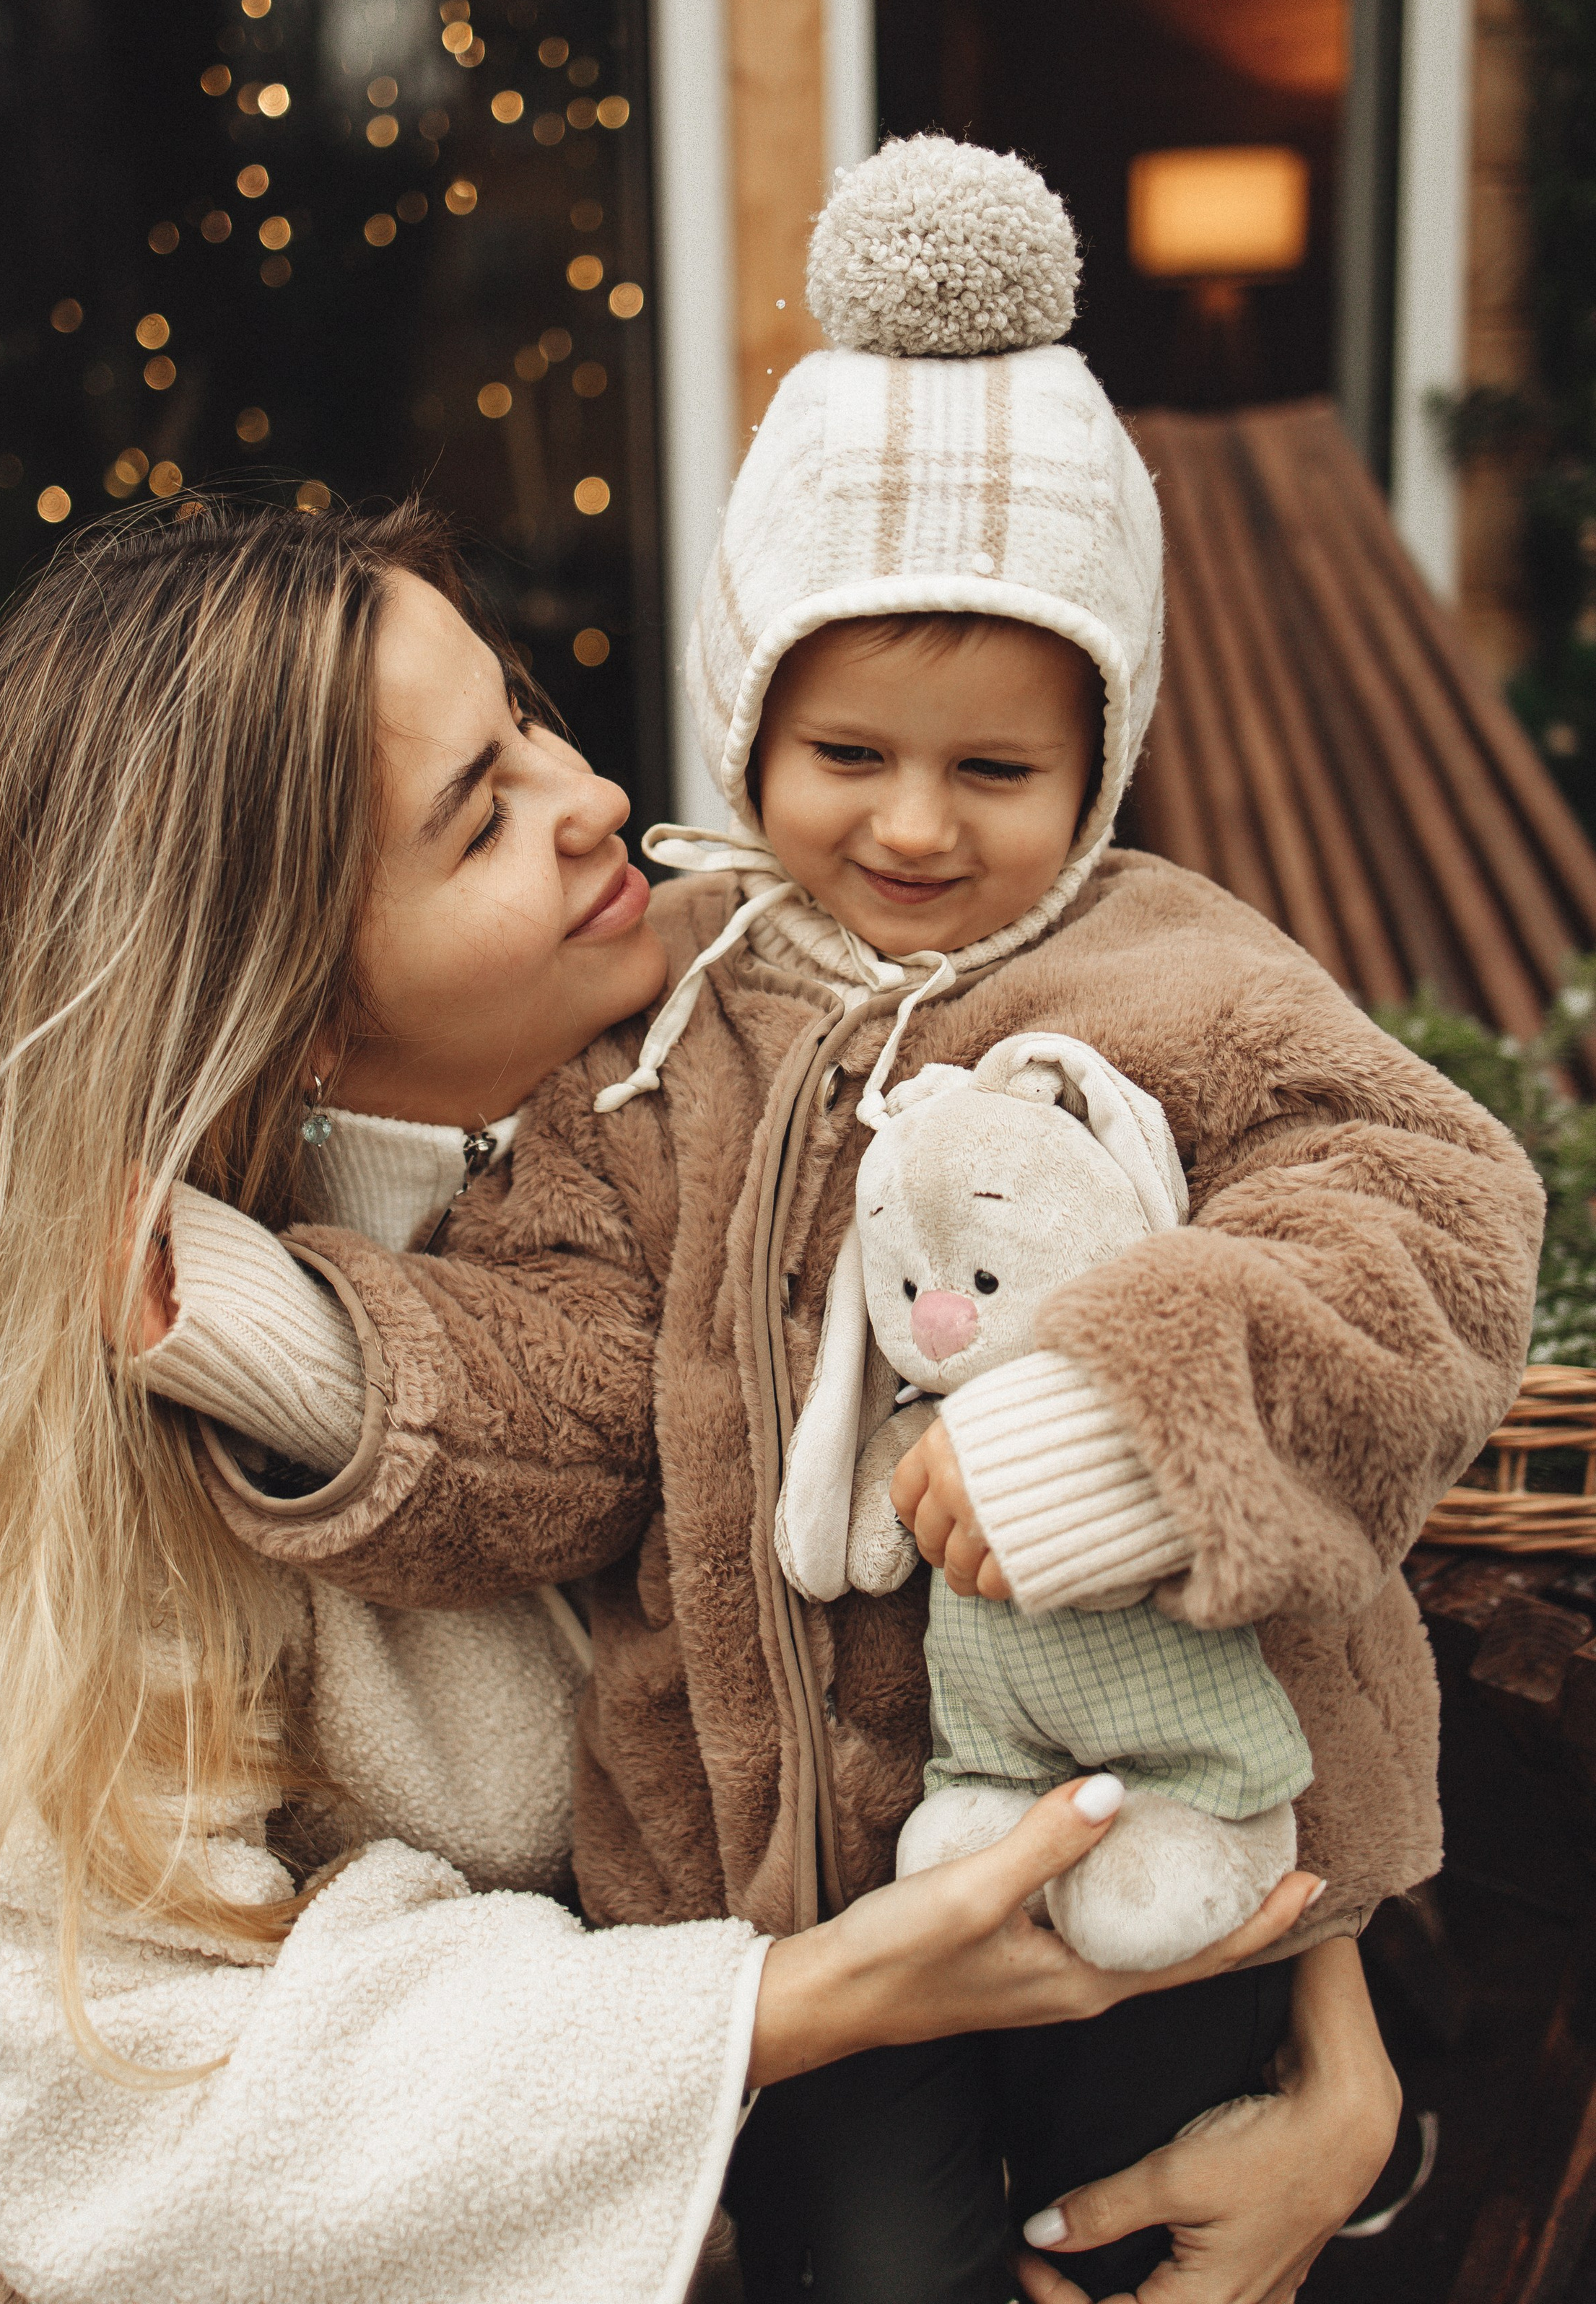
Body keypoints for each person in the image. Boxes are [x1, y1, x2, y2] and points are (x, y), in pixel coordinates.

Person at [128, 150, 1537, 2300]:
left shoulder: (1178, 977)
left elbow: (1421, 1219)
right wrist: (305, 1353)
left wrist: (1125, 1420)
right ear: (750, 720)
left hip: (1156, 1810)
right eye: (847, 751)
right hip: (797, 1885)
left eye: (999, 773)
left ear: (1102, 756)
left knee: (1142, 2230)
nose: (912, 826)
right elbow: (574, 1372)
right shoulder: (672, 1038)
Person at [0, 497, 1333, 2304]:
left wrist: (1331, 2057)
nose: (594, 794)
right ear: (290, 1002)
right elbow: (109, 2094)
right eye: (480, 817)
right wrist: (792, 2005)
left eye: (524, 714)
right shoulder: (127, 1448)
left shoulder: (772, 1074)